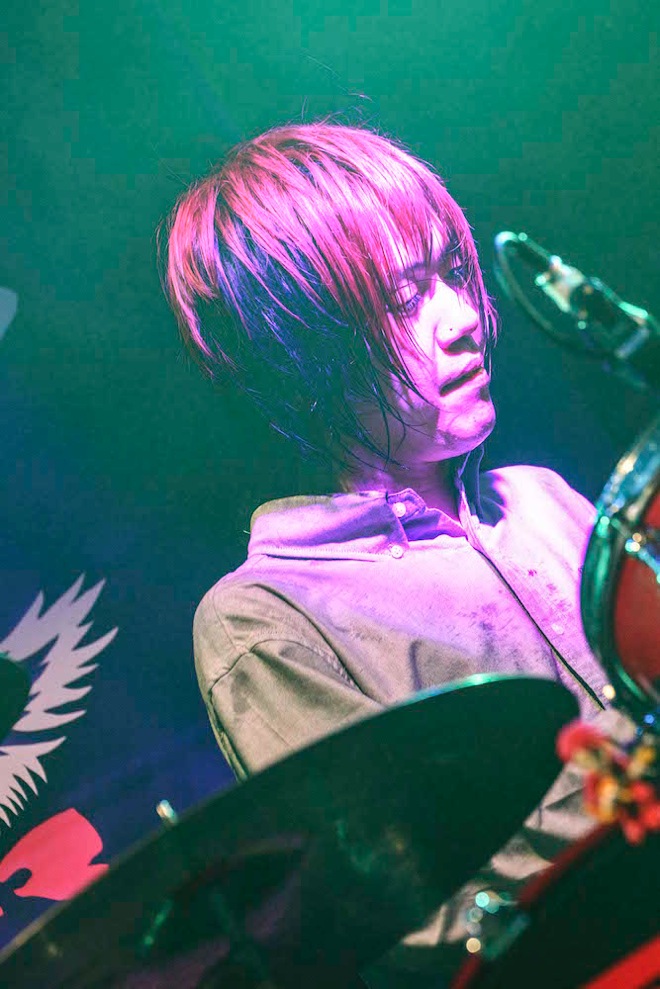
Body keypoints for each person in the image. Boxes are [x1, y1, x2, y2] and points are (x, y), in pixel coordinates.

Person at [159, 121, 621, 986]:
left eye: (451, 273)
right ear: (301, 354)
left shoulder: (540, 497)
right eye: (405, 299)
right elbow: (406, 909)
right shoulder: (266, 617)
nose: (462, 319)